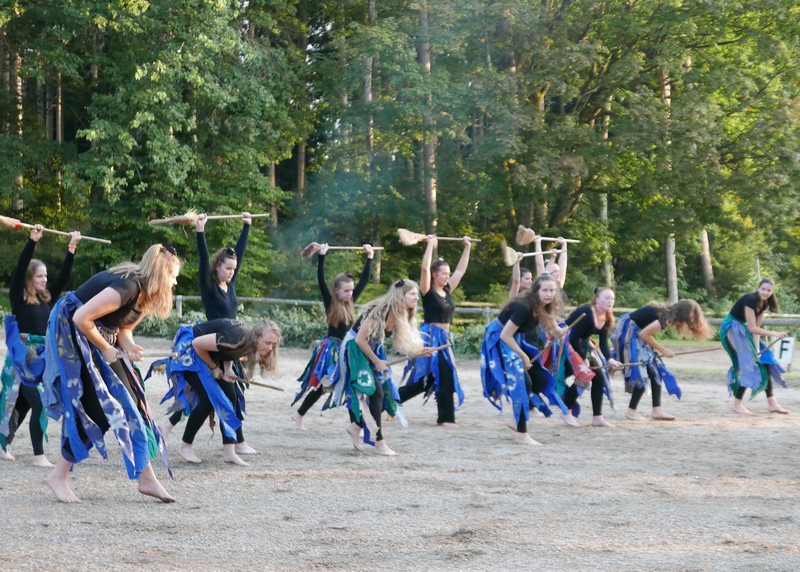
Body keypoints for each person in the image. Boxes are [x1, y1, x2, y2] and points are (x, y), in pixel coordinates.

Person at [42, 244, 180, 503]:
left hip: (97, 335)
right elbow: (81, 318)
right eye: (173, 276)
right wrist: (106, 348)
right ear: (161, 274)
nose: (175, 282)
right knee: (100, 409)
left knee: (133, 403)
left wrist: (130, 346)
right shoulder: (127, 287)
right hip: (71, 332)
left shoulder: (145, 296)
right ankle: (57, 476)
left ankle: (146, 477)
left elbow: (124, 329)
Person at [159, 212, 259, 455]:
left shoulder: (230, 285)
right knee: (222, 396)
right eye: (228, 268)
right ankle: (231, 444)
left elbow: (240, 253)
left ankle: (233, 442)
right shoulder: (209, 286)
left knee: (227, 394)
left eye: (234, 269)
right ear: (217, 267)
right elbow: (204, 259)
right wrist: (200, 230)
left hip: (228, 347)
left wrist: (246, 226)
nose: (232, 272)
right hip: (213, 346)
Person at [1, 225, 81, 466]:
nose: (45, 279)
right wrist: (32, 241)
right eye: (39, 276)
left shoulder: (46, 298)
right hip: (21, 359)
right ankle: (39, 456)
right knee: (38, 403)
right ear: (29, 278)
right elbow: (19, 270)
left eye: (45, 276)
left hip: (41, 358)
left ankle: (2, 442)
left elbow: (64, 277)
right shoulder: (18, 298)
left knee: (23, 404)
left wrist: (72, 247)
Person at [166, 319, 281, 466]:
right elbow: (197, 344)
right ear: (256, 337)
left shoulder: (246, 342)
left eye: (273, 344)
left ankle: (229, 451)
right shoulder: (235, 337)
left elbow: (228, 352)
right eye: (268, 343)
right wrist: (214, 368)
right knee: (208, 399)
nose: (270, 348)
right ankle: (185, 446)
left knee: (230, 395)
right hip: (189, 349)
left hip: (205, 352)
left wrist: (227, 370)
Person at [333, 279, 424, 456]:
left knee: (378, 394)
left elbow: (400, 344)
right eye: (413, 294)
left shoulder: (400, 314)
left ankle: (356, 426)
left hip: (370, 350)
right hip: (354, 349)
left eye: (417, 294)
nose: (417, 298)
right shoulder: (379, 311)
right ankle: (379, 442)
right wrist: (376, 361)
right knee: (376, 393)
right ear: (401, 295)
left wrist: (418, 352)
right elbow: (359, 340)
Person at [292, 243, 373, 430]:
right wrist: (322, 256)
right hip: (333, 349)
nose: (350, 293)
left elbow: (364, 281)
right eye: (346, 291)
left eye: (351, 290)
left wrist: (369, 257)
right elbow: (321, 279)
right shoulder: (330, 302)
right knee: (324, 386)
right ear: (336, 290)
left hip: (348, 349)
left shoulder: (351, 301)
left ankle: (354, 425)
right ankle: (299, 414)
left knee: (351, 385)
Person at [480, 274, 567, 445]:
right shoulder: (523, 307)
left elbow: (553, 326)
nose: (549, 294)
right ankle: (521, 434)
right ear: (536, 291)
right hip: (499, 339)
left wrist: (561, 332)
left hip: (513, 339)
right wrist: (524, 356)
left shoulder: (545, 306)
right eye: (545, 290)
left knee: (541, 378)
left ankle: (516, 419)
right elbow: (505, 335)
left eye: (552, 290)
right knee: (523, 382)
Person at [399, 235, 471, 425]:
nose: (447, 276)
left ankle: (389, 402)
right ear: (435, 275)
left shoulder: (447, 291)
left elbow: (461, 270)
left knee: (427, 380)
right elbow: (424, 268)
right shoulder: (428, 292)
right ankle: (446, 419)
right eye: (444, 273)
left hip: (445, 338)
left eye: (448, 273)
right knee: (445, 375)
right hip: (431, 336)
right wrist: (430, 245)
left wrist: (467, 247)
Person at [614, 300, 710, 421]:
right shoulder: (664, 318)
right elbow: (644, 334)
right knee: (643, 374)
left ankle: (657, 410)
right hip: (629, 335)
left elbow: (643, 332)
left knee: (656, 372)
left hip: (636, 334)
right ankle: (631, 411)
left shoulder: (664, 314)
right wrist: (663, 350)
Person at [720, 278, 789, 415]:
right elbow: (752, 328)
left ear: (772, 292)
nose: (765, 292)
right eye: (763, 289)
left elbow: (756, 329)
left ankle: (772, 403)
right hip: (731, 329)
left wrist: (757, 349)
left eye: (769, 290)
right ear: (758, 288)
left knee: (766, 360)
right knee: (749, 364)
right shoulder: (750, 300)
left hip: (743, 330)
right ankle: (737, 404)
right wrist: (775, 333)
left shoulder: (764, 304)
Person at [559, 287, 622, 428]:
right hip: (565, 343)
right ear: (597, 299)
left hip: (581, 345)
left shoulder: (607, 316)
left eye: (612, 298)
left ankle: (597, 417)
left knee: (598, 378)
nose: (610, 301)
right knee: (581, 376)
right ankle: (566, 412)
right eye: (607, 298)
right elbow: (573, 338)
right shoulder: (586, 313)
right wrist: (583, 359)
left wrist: (610, 360)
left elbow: (603, 343)